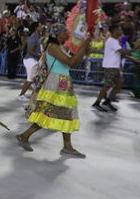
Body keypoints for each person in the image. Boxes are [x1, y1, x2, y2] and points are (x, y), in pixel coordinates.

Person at [18, 24, 89, 157]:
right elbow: (71, 62)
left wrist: (84, 47)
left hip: (63, 82)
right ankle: (25, 135)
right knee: (47, 113)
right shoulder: (53, 47)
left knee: (65, 113)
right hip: (55, 83)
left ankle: (67, 146)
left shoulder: (61, 46)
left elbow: (75, 62)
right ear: (57, 34)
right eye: (64, 31)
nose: (67, 33)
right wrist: (84, 46)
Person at [92, 25, 131, 112]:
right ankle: (97, 102)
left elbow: (121, 53)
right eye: (119, 29)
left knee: (119, 85)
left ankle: (108, 101)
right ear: (114, 31)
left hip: (115, 66)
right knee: (107, 85)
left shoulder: (116, 41)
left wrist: (133, 59)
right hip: (110, 66)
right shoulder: (112, 41)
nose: (120, 31)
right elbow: (123, 52)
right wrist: (137, 46)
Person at [19, 24, 45, 100]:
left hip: (35, 60)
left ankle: (35, 96)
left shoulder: (40, 37)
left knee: (37, 78)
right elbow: (30, 51)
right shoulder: (33, 37)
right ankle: (21, 95)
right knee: (30, 78)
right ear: (36, 28)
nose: (42, 27)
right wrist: (40, 55)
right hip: (30, 60)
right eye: (40, 26)